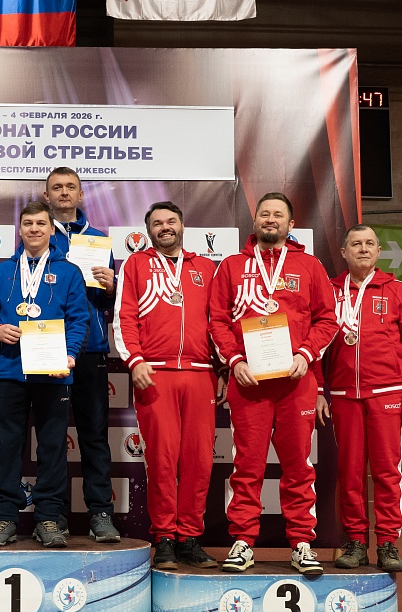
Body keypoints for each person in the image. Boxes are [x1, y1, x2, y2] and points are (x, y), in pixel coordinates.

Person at [209, 192, 338, 574]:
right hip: (249, 383)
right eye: (264, 213)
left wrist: (306, 354)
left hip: (295, 382)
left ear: (291, 224)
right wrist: (234, 361)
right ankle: (242, 543)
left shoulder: (309, 265)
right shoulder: (232, 266)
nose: (270, 219)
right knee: (247, 466)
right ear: (255, 221)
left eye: (278, 214)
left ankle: (301, 543)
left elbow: (327, 319)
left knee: (298, 466)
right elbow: (217, 321)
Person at [315, 224, 402, 573]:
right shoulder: (330, 291)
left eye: (369, 244)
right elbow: (315, 344)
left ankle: (388, 543)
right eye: (355, 244)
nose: (363, 249)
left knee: (386, 471)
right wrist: (318, 389)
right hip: (343, 395)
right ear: (344, 252)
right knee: (349, 473)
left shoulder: (396, 290)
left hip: (386, 392)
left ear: (379, 251)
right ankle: (356, 542)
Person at [114, 201, 220, 570]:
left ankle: (189, 537)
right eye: (157, 223)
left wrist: (224, 365)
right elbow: (124, 317)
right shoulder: (136, 264)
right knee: (161, 460)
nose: (165, 227)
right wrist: (135, 360)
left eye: (171, 221)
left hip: (201, 373)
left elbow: (219, 321)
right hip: (154, 373)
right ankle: (164, 538)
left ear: (182, 225)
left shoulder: (205, 267)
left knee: (199, 460)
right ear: (148, 231)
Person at [0, 201, 89, 548]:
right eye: (28, 223)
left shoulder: (69, 272)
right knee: (6, 447)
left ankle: (49, 517)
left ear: (51, 229)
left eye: (41, 223)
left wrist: (71, 353)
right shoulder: (1, 273)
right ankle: (5, 517)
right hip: (9, 371)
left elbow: (79, 319)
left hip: (53, 371)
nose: (34, 229)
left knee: (53, 448)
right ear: (20, 229)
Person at [41, 166, 121, 543]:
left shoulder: (99, 240)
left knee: (94, 435)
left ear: (81, 194)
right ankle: (53, 514)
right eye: (57, 187)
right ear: (47, 196)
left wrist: (112, 287)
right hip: (48, 347)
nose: (64, 192)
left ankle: (100, 512)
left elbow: (111, 302)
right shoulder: (37, 234)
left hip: (90, 349)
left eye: (70, 187)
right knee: (52, 437)